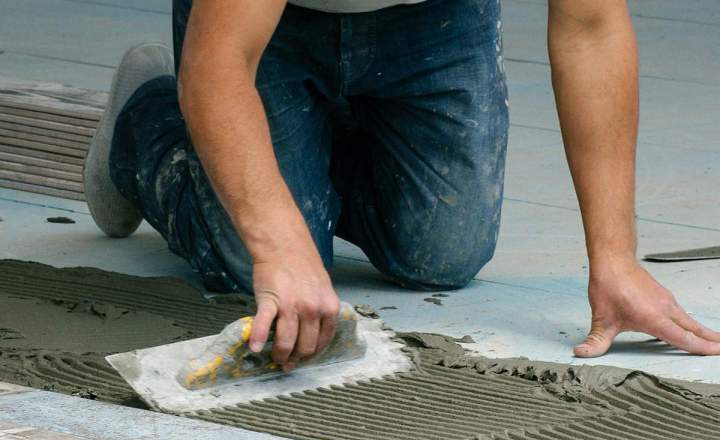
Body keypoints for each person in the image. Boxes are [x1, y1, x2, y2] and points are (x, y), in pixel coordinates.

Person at [84, 0, 720, 373]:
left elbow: (591, 26)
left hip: (434, 20)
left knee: (445, 252)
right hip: (265, 30)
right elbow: (220, 63)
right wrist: (282, 247)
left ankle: (306, 151)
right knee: (246, 261)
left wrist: (615, 258)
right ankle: (146, 122)